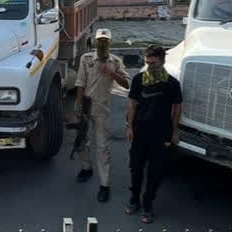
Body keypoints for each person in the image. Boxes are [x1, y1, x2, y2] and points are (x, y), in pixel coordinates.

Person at [125, 45, 183, 224]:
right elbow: (133, 104)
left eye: (153, 63)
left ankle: (147, 204)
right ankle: (134, 199)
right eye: (147, 62)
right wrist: (129, 127)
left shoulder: (172, 83)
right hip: (140, 132)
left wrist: (174, 132)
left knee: (155, 173)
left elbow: (177, 108)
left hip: (161, 134)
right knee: (135, 168)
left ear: (163, 61)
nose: (150, 66)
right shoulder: (138, 79)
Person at [74, 28, 130, 202]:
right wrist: (77, 104)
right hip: (86, 105)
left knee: (102, 147)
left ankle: (104, 184)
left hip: (102, 110)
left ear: (110, 43)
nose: (102, 43)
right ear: (95, 42)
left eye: (105, 41)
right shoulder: (86, 59)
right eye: (100, 40)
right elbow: (80, 82)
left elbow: (127, 84)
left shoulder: (116, 61)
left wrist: (111, 72)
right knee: (82, 140)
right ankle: (86, 167)